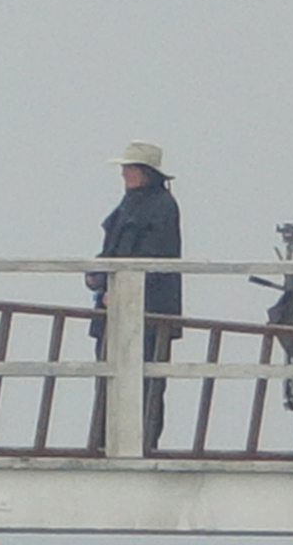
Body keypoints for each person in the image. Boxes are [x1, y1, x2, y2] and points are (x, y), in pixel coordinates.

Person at [85, 139, 182, 453]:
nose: (123, 174)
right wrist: (96, 277)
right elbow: (110, 251)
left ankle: (142, 444)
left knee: (146, 383)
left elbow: (157, 261)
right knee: (109, 380)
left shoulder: (162, 207)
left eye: (129, 168)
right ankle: (103, 442)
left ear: (146, 172)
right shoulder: (127, 205)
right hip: (115, 315)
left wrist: (123, 294)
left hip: (149, 315)